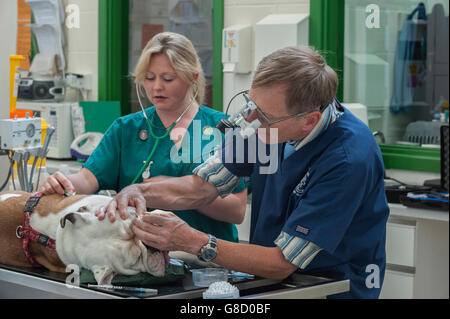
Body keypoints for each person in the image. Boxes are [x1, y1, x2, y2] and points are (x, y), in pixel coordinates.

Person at [99, 46, 390, 299]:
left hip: (331, 286)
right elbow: (202, 187)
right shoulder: (262, 122)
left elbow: (282, 261)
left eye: (263, 116)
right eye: (250, 104)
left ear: (308, 121)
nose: (249, 120)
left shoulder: (347, 159)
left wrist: (194, 241)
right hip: (275, 279)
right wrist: (138, 190)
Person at [39, 32, 248, 243]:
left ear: (192, 78)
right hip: (138, 257)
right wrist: (63, 184)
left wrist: (173, 190)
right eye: (149, 78)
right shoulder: (125, 129)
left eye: (168, 78)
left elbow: (236, 210)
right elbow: (87, 179)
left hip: (205, 262)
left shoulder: (223, 129)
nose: (156, 86)